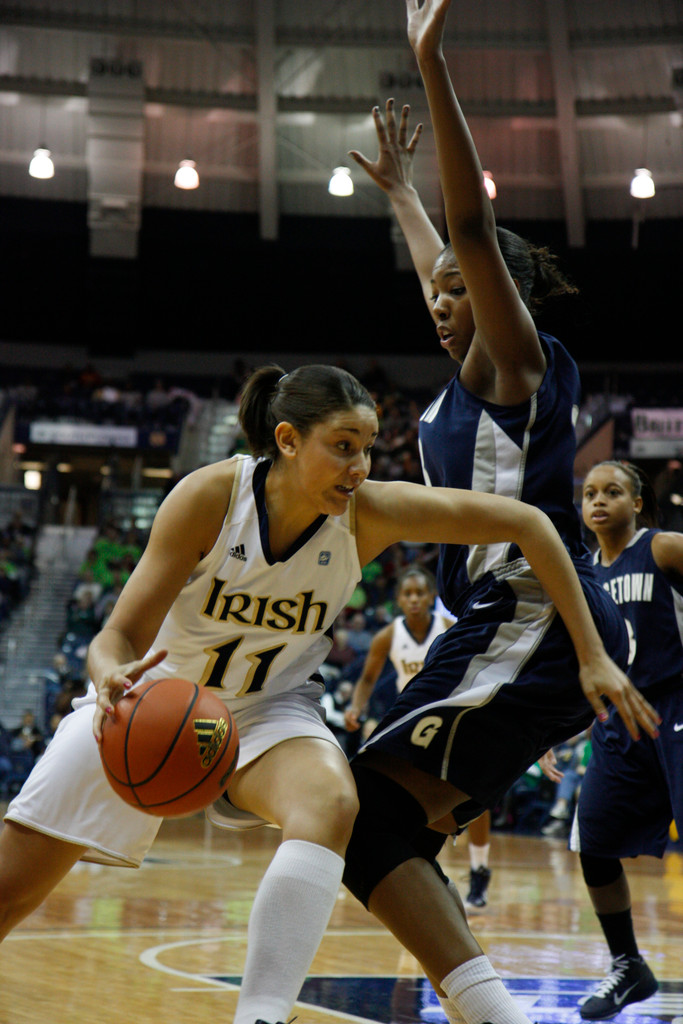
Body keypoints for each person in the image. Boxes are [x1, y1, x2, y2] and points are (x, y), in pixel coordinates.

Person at [0, 363, 654, 1024]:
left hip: (267, 712)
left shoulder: (368, 514)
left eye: (367, 446)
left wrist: (592, 654)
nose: (360, 465)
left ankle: (260, 1015)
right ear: (287, 440)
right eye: (343, 445)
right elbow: (116, 636)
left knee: (334, 799)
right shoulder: (210, 497)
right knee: (10, 892)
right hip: (152, 706)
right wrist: (110, 675)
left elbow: (529, 524)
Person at [339, 4, 660, 1024]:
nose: (435, 299)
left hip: (531, 620)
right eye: (429, 291)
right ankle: (484, 1009)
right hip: (511, 625)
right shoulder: (457, 386)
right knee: (386, 827)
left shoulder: (513, 364)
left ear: (499, 297)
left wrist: (430, 68)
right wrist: (398, 194)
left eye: (453, 290)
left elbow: (471, 232)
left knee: (355, 810)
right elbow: (448, 251)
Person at [565, 459, 683, 1020]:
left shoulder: (660, 548)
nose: (599, 500)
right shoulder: (581, 573)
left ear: (637, 502)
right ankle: (628, 965)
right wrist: (555, 726)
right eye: (589, 493)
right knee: (594, 843)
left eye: (613, 491)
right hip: (618, 719)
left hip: (676, 704)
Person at [344, 566, 493, 912]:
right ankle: (419, 864)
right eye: (407, 594)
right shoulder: (388, 636)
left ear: (431, 598)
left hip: (453, 718)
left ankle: (480, 867)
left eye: (419, 593)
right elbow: (367, 678)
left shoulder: (449, 629)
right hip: (413, 726)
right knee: (413, 799)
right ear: (399, 600)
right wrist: (356, 708)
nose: (413, 599)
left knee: (472, 797)